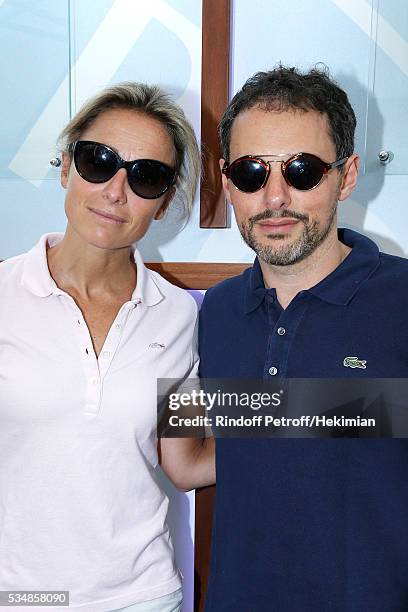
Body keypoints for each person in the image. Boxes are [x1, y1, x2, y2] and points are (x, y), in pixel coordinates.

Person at [199, 66, 408, 611]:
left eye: (302, 170)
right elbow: (192, 458)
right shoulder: (214, 312)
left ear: (347, 174)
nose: (274, 197)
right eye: (250, 172)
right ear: (226, 182)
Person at [0, 82, 215, 611]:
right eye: (99, 161)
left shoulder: (179, 313)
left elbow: (184, 463)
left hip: (142, 596)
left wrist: (315, 412)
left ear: (163, 203)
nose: (117, 190)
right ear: (67, 168)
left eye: (147, 176)